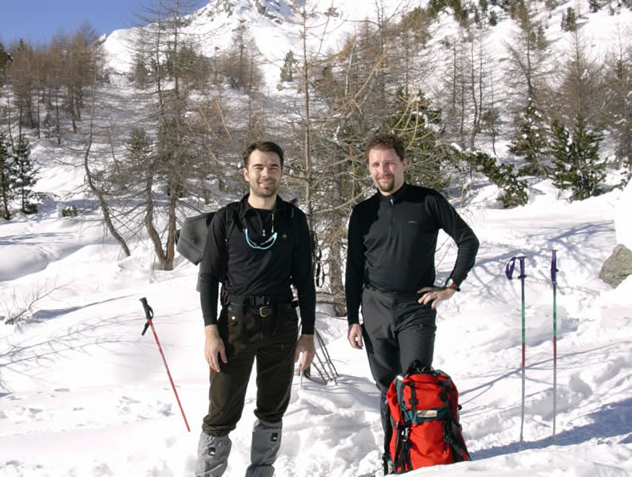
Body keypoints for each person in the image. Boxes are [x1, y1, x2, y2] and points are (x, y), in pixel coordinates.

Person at [345, 133, 479, 473]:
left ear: (403, 163)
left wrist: (450, 286)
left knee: (417, 384)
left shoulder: (428, 201)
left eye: (389, 163)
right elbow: (354, 268)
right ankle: (394, 456)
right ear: (369, 168)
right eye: (376, 164)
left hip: (415, 307)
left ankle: (419, 457)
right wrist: (353, 319)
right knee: (387, 388)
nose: (383, 170)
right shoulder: (363, 213)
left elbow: (467, 240)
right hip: (374, 307)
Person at [196, 141, 316, 477]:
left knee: (272, 410)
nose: (267, 174)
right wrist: (210, 331)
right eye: (259, 167)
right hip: (234, 325)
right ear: (245, 173)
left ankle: (262, 472)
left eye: (273, 167)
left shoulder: (294, 219)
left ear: (282, 172)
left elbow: (305, 281)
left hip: (281, 324)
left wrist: (307, 333)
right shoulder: (227, 219)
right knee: (221, 412)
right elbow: (208, 277)